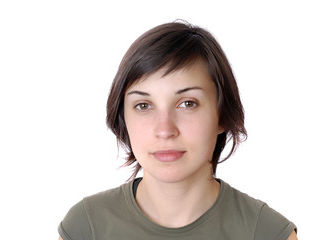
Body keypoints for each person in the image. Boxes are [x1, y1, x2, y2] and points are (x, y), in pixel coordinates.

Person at [58, 21, 298, 240]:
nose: (165, 130)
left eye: (188, 103)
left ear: (222, 115)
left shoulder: (267, 233)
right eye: (143, 105)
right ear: (123, 118)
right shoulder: (85, 228)